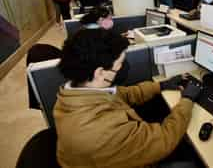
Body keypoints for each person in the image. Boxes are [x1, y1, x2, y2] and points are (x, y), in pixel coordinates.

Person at [54, 29, 201, 168]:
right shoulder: (103, 130)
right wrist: (187, 99)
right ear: (100, 72)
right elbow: (164, 140)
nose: (124, 67)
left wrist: (161, 85)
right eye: (120, 64)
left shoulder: (76, 93)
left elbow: (126, 94)